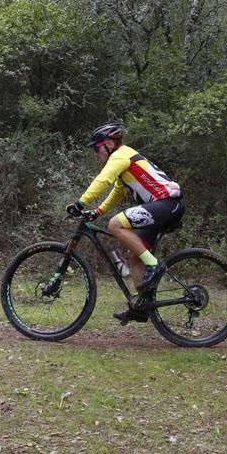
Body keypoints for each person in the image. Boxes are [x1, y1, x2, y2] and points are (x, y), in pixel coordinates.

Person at [66, 123, 184, 324]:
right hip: (163, 205)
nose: (96, 153)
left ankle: (155, 265)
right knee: (134, 257)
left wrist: (80, 203)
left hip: (167, 202)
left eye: (97, 148)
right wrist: (98, 211)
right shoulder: (123, 163)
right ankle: (140, 307)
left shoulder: (121, 155)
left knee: (115, 225)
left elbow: (103, 180)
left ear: (109, 144)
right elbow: (118, 191)